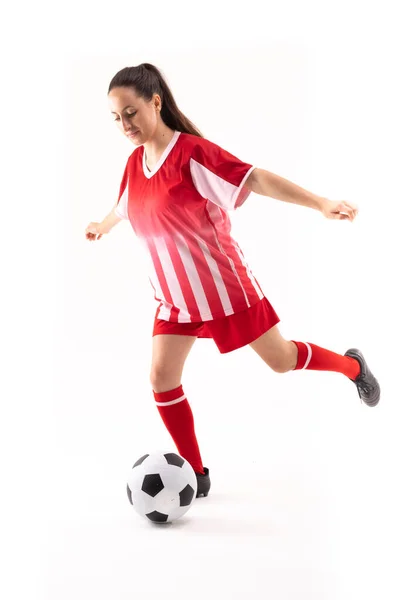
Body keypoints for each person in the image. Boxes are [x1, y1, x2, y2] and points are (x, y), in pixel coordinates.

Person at [85, 63, 380, 499]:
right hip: (174, 298)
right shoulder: (134, 164)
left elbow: (254, 177)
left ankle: (353, 367)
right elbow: (125, 206)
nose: (125, 124)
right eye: (116, 117)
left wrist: (320, 202)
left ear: (155, 102)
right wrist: (102, 225)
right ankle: (196, 473)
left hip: (222, 289)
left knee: (280, 360)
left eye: (131, 112)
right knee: (161, 377)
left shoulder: (192, 154)